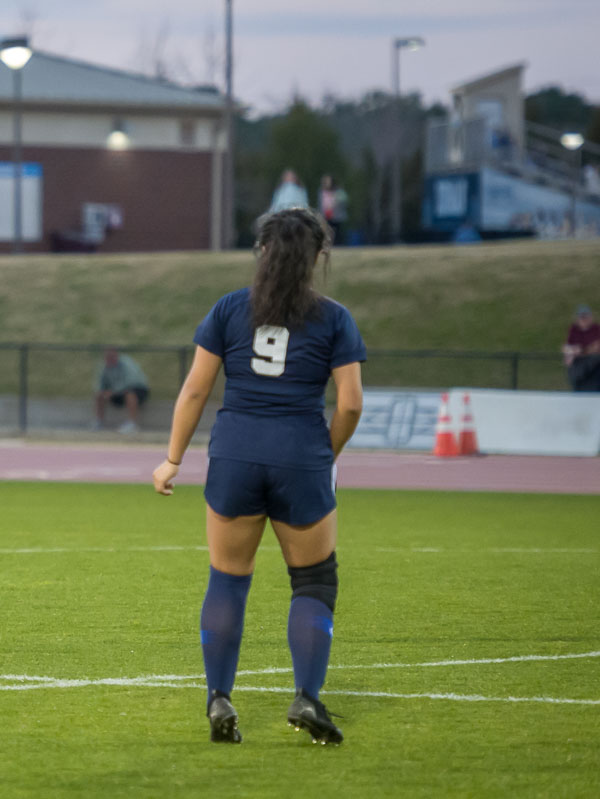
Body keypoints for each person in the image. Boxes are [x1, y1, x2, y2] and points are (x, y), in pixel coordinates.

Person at [152, 207, 365, 745]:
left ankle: (220, 697)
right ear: (318, 257)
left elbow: (196, 390)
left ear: (261, 253)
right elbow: (351, 403)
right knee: (313, 580)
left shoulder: (229, 310)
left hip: (236, 455)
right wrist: (325, 453)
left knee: (228, 577)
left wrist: (174, 458)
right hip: (300, 455)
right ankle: (307, 698)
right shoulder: (334, 318)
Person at [94, 348, 150, 433]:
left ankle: (132, 423)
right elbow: (100, 384)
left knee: (130, 394)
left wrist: (113, 391)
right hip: (116, 392)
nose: (109, 359)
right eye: (107, 357)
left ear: (116, 355)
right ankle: (99, 422)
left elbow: (131, 382)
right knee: (99, 395)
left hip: (138, 389)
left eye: (111, 357)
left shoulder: (126, 363)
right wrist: (103, 391)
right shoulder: (105, 366)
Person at [563, 305, 600, 391]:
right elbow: (566, 347)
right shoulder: (574, 329)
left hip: (594, 364)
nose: (583, 320)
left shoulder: (596, 329)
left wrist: (580, 351)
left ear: (590, 317)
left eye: (585, 317)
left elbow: (596, 347)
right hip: (579, 365)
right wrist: (570, 352)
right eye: (581, 317)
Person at [317, 175, 348, 243]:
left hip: (336, 215)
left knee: (337, 232)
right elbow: (320, 204)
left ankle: (339, 245)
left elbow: (343, 201)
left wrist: (335, 206)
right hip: (325, 215)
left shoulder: (338, 191)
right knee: (327, 232)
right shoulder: (321, 191)